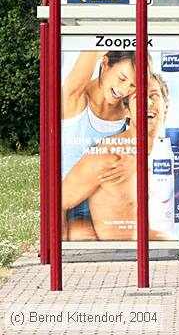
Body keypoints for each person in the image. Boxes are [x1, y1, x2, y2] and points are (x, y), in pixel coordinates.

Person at [62, 72, 172, 241]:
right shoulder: (107, 156)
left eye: (154, 96)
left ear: (166, 105)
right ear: (127, 110)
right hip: (117, 257)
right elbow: (59, 202)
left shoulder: (178, 154)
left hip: (167, 256)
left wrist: (142, 163)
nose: (148, 103)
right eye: (138, 98)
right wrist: (68, 244)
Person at [61, 51, 138, 240]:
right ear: (104, 63)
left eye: (132, 85)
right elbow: (91, 48)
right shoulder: (76, 98)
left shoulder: (129, 111)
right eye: (121, 78)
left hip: (113, 206)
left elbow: (152, 144)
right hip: (73, 205)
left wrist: (134, 162)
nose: (124, 89)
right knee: (82, 237)